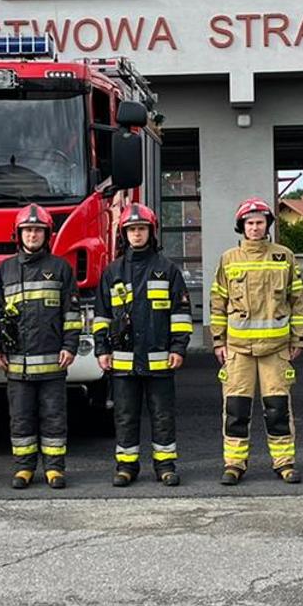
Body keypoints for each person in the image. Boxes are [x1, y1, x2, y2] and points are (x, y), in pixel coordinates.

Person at [94, 202, 194, 487]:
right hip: (123, 361)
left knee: (163, 415)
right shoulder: (112, 272)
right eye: (131, 230)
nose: (137, 234)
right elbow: (101, 316)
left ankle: (165, 466)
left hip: (160, 358)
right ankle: (126, 467)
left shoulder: (167, 270)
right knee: (125, 416)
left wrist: (178, 348)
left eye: (142, 229)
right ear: (124, 235)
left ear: (152, 232)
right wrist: (102, 350)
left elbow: (181, 314)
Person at [208, 198, 303, 485]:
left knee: (278, 409)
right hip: (238, 351)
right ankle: (234, 464)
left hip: (276, 350)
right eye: (249, 223)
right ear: (241, 226)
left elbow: (297, 301)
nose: (254, 227)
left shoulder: (284, 256)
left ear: (267, 225)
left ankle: (284, 463)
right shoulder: (229, 259)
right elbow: (217, 303)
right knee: (236, 410)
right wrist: (218, 341)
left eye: (259, 222)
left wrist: (297, 338)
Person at [0, 204, 81, 490]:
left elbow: (71, 314)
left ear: (46, 235)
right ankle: (24, 469)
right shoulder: (5, 269)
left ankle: (54, 469)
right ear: (19, 235)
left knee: (54, 418)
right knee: (21, 419)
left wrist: (70, 346)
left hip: (53, 361)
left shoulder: (60, 268)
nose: (32, 235)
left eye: (37, 231)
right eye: (27, 231)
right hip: (16, 364)